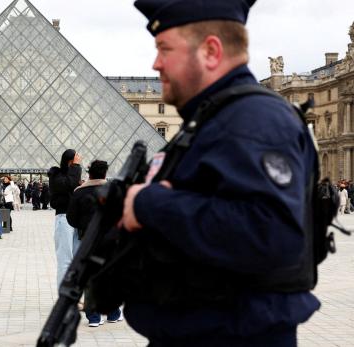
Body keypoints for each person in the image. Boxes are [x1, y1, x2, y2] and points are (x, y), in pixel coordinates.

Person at [119, 1, 320, 345]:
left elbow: (270, 233)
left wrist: (151, 203)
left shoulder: (253, 119)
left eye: (164, 49)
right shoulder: (213, 120)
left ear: (211, 51)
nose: (156, 63)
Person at [66, 160, 122, 327]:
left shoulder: (78, 192)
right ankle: (113, 313)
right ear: (105, 173)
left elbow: (71, 218)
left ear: (89, 173)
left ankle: (94, 317)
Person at [48, 149, 82, 286]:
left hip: (77, 220)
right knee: (65, 260)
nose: (79, 162)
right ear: (70, 161)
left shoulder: (72, 175)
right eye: (76, 160)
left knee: (76, 260)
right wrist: (76, 167)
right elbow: (68, 184)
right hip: (64, 218)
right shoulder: (56, 175)